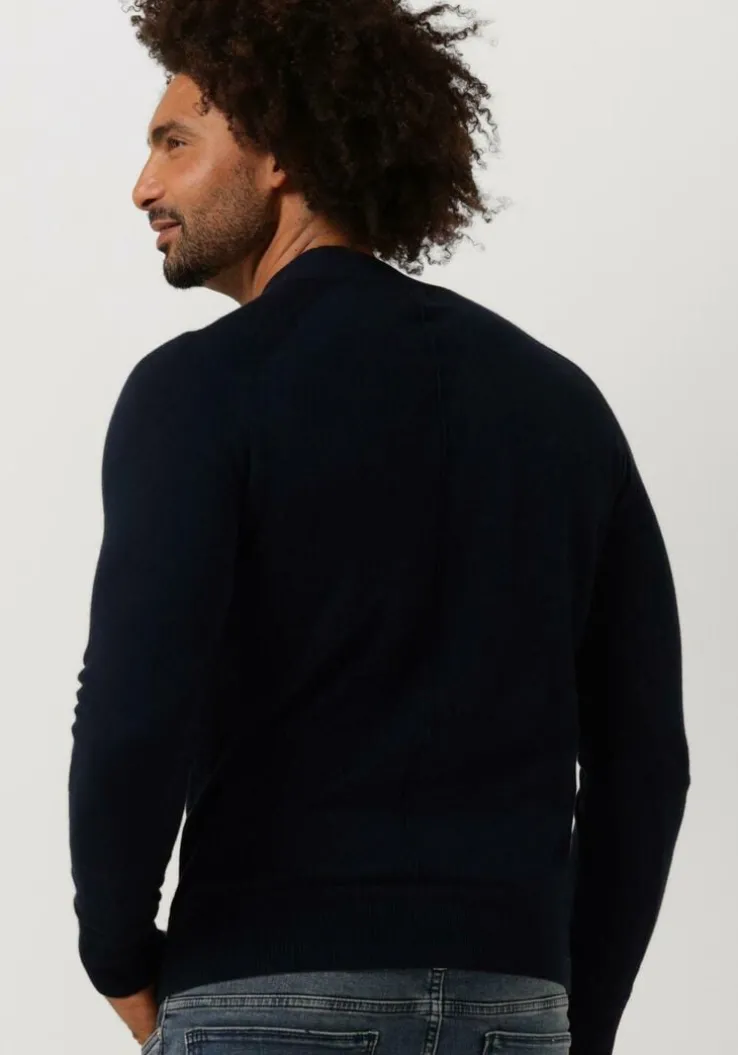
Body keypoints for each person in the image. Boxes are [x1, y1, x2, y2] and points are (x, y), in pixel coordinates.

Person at [67, 2, 691, 1054]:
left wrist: (117, 953)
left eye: (175, 143)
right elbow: (644, 759)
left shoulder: (200, 390)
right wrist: (577, 1014)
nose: (144, 186)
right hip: (514, 1005)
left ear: (279, 152)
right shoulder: (561, 404)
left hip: (267, 992)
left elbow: (135, 704)